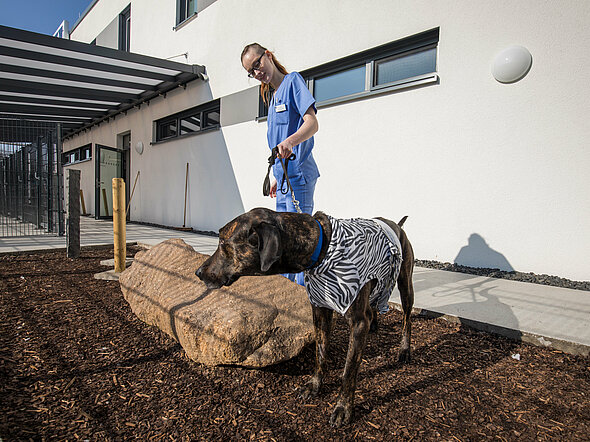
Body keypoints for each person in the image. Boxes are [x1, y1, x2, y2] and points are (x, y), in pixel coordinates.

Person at [241, 43, 320, 286]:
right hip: (284, 178)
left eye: (257, 64)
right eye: (251, 71)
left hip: (299, 176)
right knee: (282, 240)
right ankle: (287, 296)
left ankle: (303, 299)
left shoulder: (293, 82)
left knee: (300, 241)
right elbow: (277, 145)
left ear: (268, 55)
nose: (257, 72)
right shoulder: (274, 97)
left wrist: (291, 141)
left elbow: (312, 123)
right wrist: (276, 176)